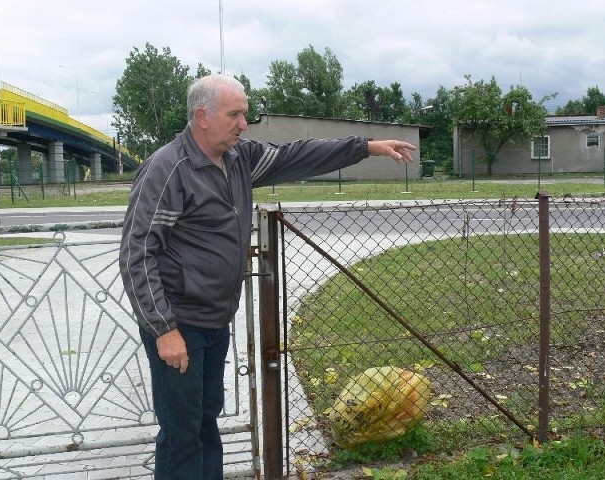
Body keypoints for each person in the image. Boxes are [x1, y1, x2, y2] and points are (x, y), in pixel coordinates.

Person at [119, 73, 416, 479]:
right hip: (178, 324)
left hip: (213, 321)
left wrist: (365, 148)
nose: (244, 124)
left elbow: (299, 155)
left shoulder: (240, 159)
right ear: (202, 116)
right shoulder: (168, 169)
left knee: (206, 422)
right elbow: (138, 252)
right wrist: (163, 329)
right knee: (181, 435)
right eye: (235, 114)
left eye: (245, 114)